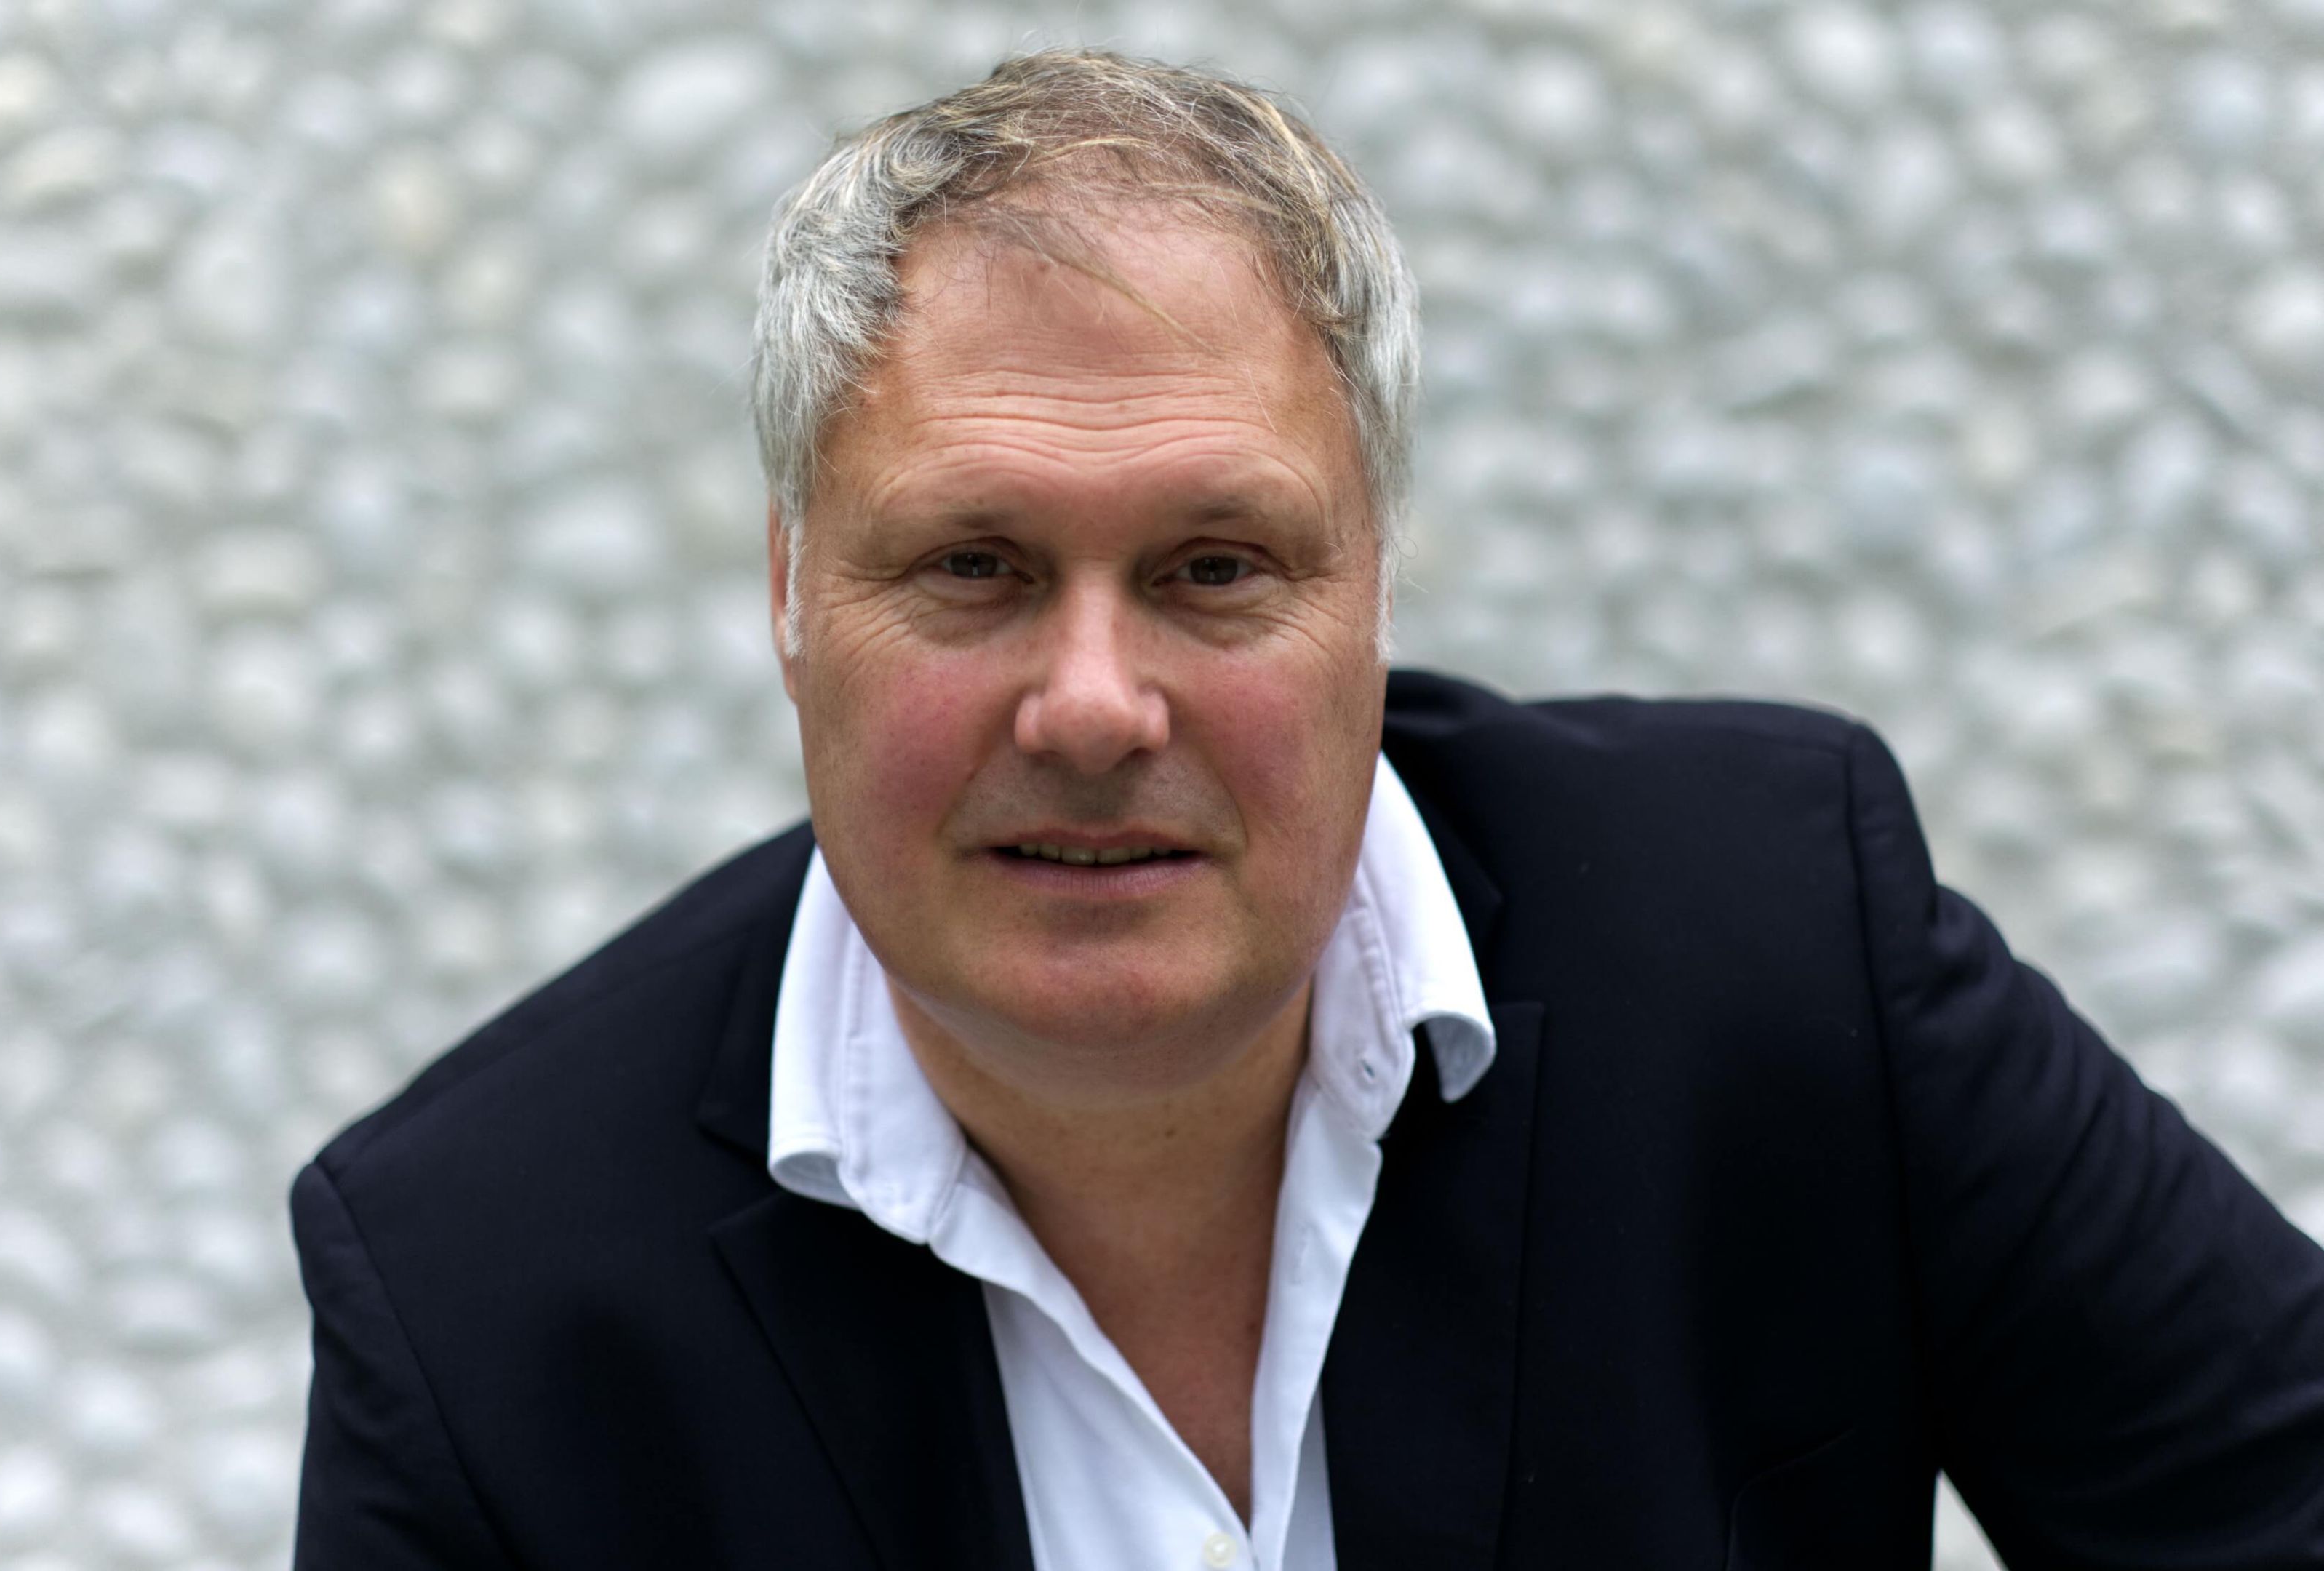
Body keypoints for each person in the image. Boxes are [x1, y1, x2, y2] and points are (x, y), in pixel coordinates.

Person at [289, 48, 2324, 1571]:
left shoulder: (1786, 952)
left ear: (1376, 595)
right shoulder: (477, 1295)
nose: (1096, 707)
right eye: (976, 568)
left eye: (1217, 569)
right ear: (793, 596)